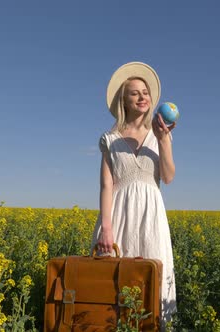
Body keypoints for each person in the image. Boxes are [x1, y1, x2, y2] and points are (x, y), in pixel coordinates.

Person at [90, 61, 177, 327]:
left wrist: (163, 139)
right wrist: (106, 228)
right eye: (134, 92)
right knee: (114, 283)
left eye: (146, 92)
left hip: (151, 214)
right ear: (123, 100)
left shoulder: (159, 134)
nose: (142, 97)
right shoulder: (110, 138)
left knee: (152, 279)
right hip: (118, 214)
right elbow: (107, 186)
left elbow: (168, 177)